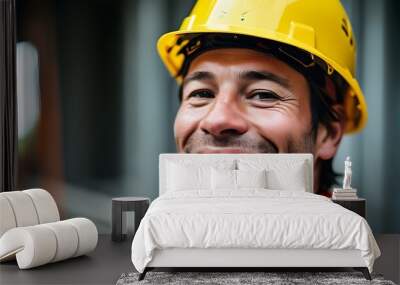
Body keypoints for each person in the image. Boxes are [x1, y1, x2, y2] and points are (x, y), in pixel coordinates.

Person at [156, 0, 368, 196]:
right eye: (201, 94)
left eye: (263, 95)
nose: (217, 120)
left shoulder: (348, 236)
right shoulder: (155, 233)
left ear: (329, 132)